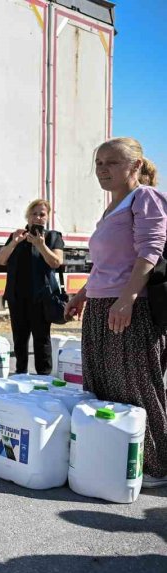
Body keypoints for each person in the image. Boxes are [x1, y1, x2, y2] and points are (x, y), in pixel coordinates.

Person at [65, 137, 167, 488]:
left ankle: (155, 465)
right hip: (100, 304)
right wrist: (82, 294)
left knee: (136, 385)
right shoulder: (111, 210)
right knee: (103, 385)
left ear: (135, 166)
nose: (103, 169)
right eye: (99, 163)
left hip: (129, 306)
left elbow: (150, 251)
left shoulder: (145, 198)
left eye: (112, 162)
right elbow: (104, 264)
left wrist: (127, 299)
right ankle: (113, 453)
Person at [0, 199, 64, 374]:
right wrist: (14, 242)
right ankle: (20, 374)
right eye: (34, 214)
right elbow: (0, 260)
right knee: (19, 340)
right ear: (28, 216)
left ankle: (44, 378)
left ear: (47, 217)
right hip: (17, 296)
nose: (38, 218)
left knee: (41, 339)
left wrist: (40, 245)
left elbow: (56, 262)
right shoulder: (17, 236)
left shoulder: (53, 237)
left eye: (42, 214)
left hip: (41, 297)